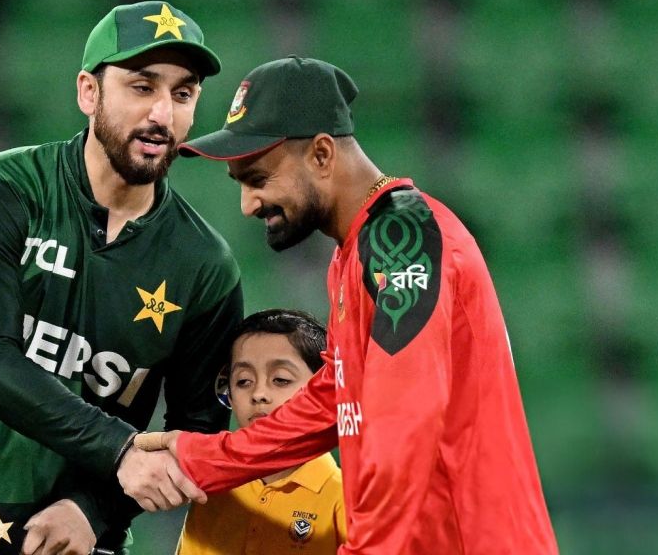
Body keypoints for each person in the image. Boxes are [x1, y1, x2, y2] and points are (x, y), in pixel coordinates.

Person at [0, 1, 243, 555]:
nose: (163, 114)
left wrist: (94, 510)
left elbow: (198, 429)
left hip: (72, 543)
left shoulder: (205, 266)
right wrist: (120, 450)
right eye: (142, 87)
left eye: (183, 94)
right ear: (88, 92)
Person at [130, 57, 559, 553]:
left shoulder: (402, 243)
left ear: (320, 154)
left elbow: (403, 432)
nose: (248, 205)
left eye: (258, 178)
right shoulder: (358, 251)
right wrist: (201, 457)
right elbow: (333, 401)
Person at [176, 309, 346, 555]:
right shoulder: (210, 492)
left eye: (281, 379)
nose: (258, 394)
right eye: (243, 381)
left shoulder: (345, 498)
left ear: (324, 391)